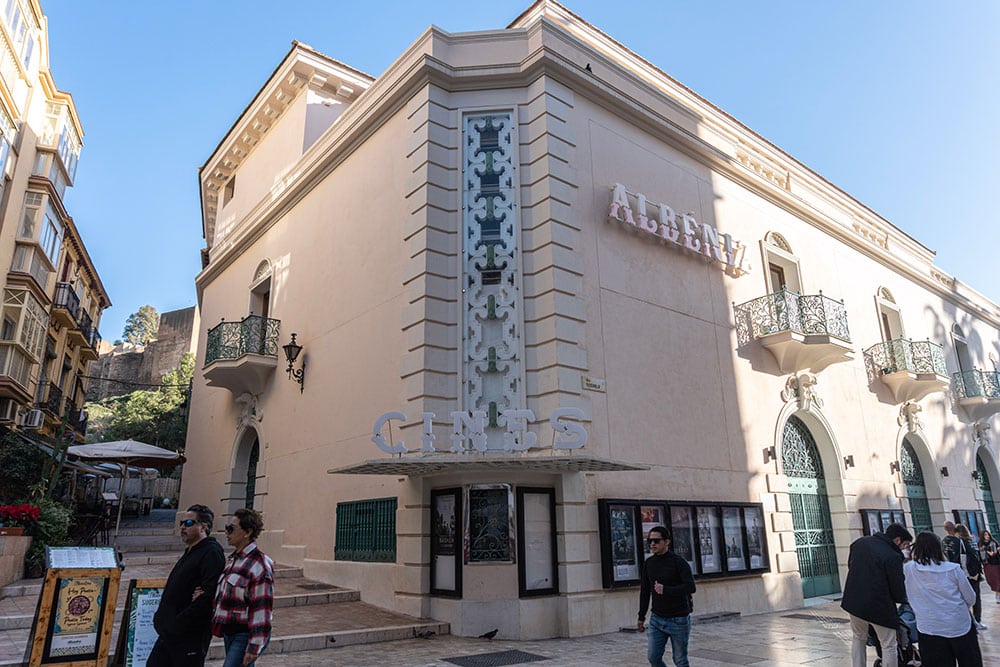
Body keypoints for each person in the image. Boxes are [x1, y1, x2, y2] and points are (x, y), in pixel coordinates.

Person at [148, 504, 226, 667]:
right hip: (170, 634)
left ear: (203, 526)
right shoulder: (191, 550)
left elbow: (208, 596)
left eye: (188, 523)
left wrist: (178, 623)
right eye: (181, 523)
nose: (183, 527)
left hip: (188, 635)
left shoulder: (211, 552)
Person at [904, 531, 982, 666]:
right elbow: (970, 597)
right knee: (970, 661)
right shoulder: (953, 569)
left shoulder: (909, 568)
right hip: (958, 624)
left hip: (929, 626)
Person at [840, 522, 912, 667]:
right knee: (888, 644)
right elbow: (897, 586)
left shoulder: (860, 543)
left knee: (858, 638)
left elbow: (851, 565)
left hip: (855, 601)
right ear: (897, 540)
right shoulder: (893, 556)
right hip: (879, 606)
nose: (904, 548)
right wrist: (904, 600)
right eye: (905, 544)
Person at [211, 508, 274, 667]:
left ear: (247, 532)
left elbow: (262, 609)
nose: (227, 532)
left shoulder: (259, 565)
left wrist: (254, 647)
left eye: (231, 528)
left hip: (244, 634)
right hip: (229, 632)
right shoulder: (234, 560)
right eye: (227, 527)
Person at [636, 526, 696, 667]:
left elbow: (690, 587)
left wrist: (666, 589)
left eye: (656, 541)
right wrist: (641, 616)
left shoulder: (678, 562)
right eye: (650, 541)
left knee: (680, 660)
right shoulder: (649, 563)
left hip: (678, 619)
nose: (652, 544)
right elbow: (645, 591)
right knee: (653, 657)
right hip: (656, 618)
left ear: (667, 542)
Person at [953, 524, 985, 629]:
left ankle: (971, 620)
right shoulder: (972, 541)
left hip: (967, 574)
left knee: (965, 598)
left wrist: (969, 573)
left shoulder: (960, 542)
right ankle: (977, 620)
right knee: (976, 597)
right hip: (975, 573)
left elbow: (964, 559)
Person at [979, 528, 1000, 604]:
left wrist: (996, 551)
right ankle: (997, 596)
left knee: (998, 580)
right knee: (992, 581)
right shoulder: (980, 545)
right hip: (987, 565)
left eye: (988, 534)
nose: (987, 536)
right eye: (985, 535)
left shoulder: (994, 542)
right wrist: (987, 552)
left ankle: (998, 597)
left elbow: (997, 552)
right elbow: (980, 555)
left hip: (996, 564)